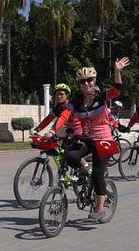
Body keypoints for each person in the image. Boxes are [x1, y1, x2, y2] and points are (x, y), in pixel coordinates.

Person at [45, 58, 130, 220]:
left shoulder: (102, 96)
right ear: (79, 84)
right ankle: (86, 172)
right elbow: (64, 116)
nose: (86, 84)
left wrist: (118, 71)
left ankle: (100, 208)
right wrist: (52, 130)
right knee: (70, 157)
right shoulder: (75, 101)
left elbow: (117, 90)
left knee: (98, 173)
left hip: (104, 139)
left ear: (94, 80)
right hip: (86, 138)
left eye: (89, 80)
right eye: (83, 81)